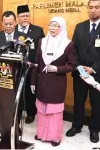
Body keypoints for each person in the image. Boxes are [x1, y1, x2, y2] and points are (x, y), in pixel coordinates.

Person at [67, 0, 100, 143]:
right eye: (90, 7)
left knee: (96, 103)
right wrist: (78, 67)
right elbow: (73, 49)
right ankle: (76, 126)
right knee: (78, 101)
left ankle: (94, 130)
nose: (93, 10)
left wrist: (93, 69)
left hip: (98, 73)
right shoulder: (80, 26)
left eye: (96, 7)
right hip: (80, 73)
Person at [31, 17, 75, 146]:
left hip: (57, 83)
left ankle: (55, 137)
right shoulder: (42, 42)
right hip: (42, 81)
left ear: (61, 28)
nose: (52, 28)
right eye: (50, 25)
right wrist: (33, 81)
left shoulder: (68, 44)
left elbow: (72, 65)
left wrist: (57, 68)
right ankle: (41, 134)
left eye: (56, 25)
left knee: (54, 111)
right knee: (41, 110)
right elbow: (36, 63)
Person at [0, 11, 24, 134]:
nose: (8, 26)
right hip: (1, 75)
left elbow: (25, 56)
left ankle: (16, 124)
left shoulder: (22, 37)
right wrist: (0, 68)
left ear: (15, 23)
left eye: (11, 23)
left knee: (17, 101)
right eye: (6, 24)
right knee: (1, 99)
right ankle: (1, 124)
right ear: (2, 23)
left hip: (17, 75)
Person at [15, 5, 45, 124]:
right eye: (22, 16)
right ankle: (18, 110)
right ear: (17, 17)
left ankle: (31, 113)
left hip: (31, 66)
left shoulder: (38, 30)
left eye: (27, 15)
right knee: (17, 90)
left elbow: (42, 49)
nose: (25, 18)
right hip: (16, 66)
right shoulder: (13, 30)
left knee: (30, 91)